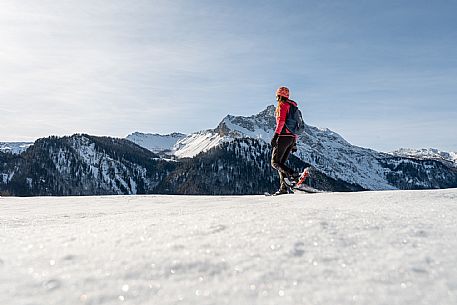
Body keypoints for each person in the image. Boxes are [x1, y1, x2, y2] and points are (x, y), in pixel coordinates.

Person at [270, 86, 300, 195]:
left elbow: (281, 122)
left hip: (283, 137)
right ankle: (283, 188)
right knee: (281, 164)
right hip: (291, 138)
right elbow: (296, 127)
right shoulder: (293, 107)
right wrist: (294, 143)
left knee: (275, 162)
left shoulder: (282, 105)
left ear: (278, 96)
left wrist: (275, 136)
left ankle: (292, 174)